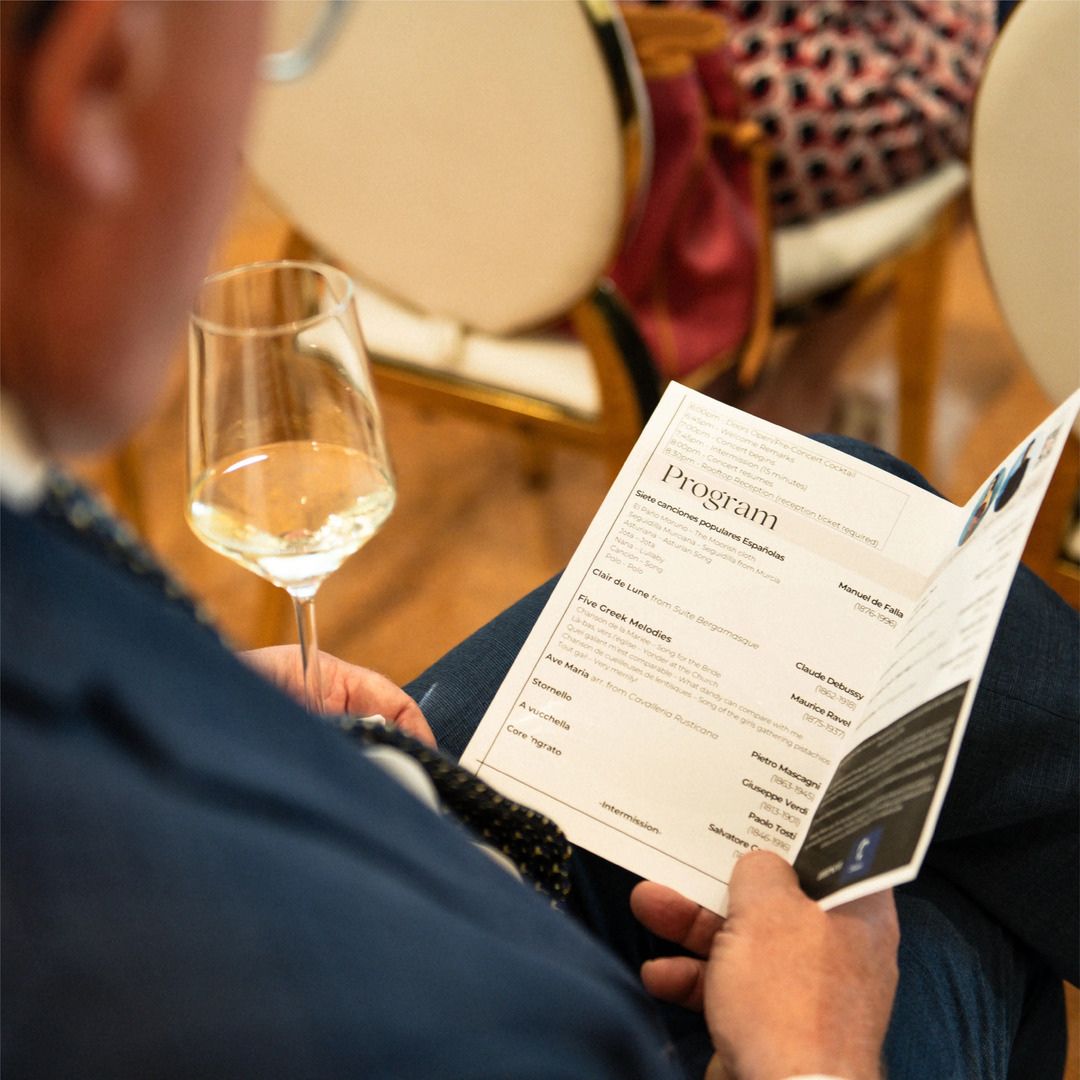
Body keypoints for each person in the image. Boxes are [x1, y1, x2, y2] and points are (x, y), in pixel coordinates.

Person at [1, 4, 1074, 1078]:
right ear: (98, 75)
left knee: (870, 525)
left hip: (381, 821)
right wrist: (811, 1054)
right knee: (940, 914)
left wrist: (214, 700)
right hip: (457, 957)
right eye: (283, 42)